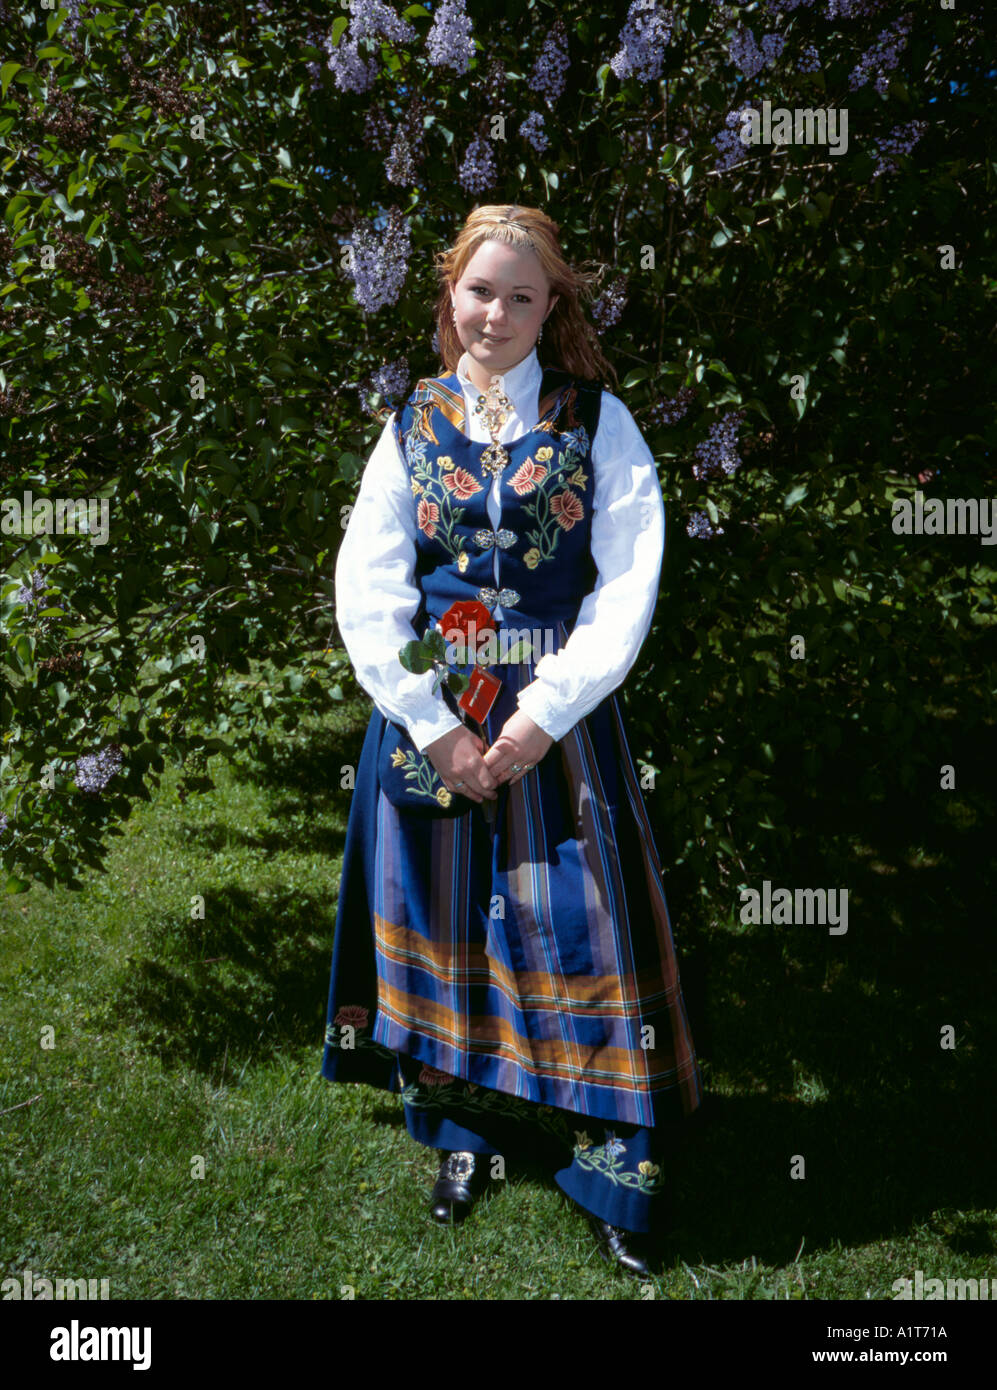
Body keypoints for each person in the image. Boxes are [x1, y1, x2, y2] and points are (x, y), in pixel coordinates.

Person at [322, 203, 703, 1278]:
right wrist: (435, 728)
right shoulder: (411, 421)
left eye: (521, 295)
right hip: (429, 725)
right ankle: (461, 1135)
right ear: (449, 295)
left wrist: (539, 719)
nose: (496, 312)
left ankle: (611, 1172)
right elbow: (367, 586)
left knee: (583, 931)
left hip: (559, 726)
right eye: (479, 290)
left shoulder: (598, 424)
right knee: (440, 932)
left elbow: (627, 586)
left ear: (552, 310)